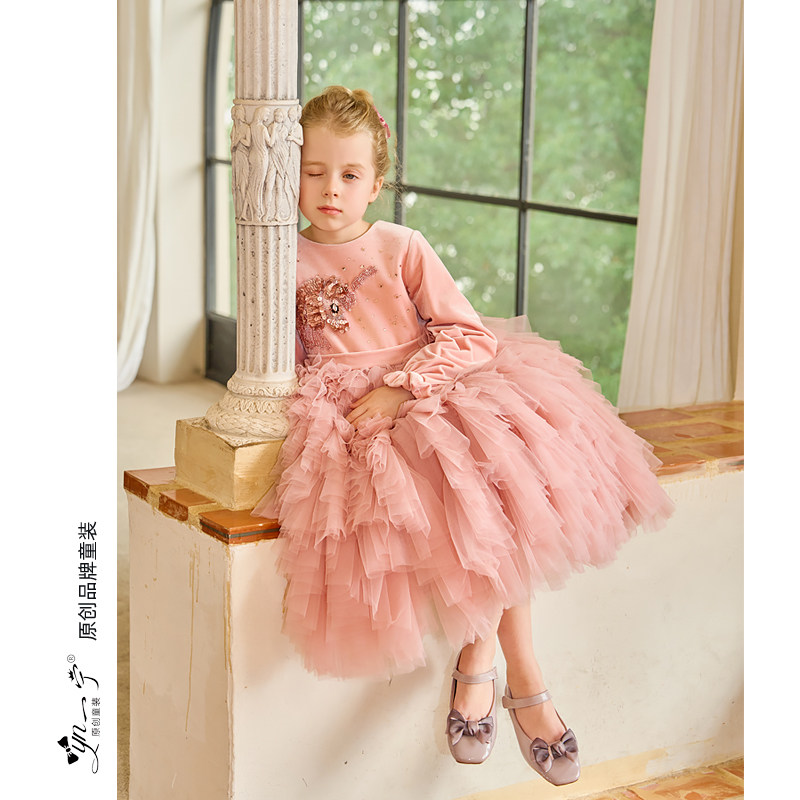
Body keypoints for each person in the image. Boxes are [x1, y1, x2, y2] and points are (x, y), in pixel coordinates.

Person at [252, 85, 674, 787]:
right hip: (346, 418)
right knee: (442, 503)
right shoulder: (280, 259)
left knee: (491, 488)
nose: (330, 190)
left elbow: (469, 335)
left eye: (350, 174)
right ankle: (507, 675)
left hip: (427, 389)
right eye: (314, 171)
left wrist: (403, 387)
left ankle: (499, 663)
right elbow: (284, 360)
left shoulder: (401, 246)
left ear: (377, 184)